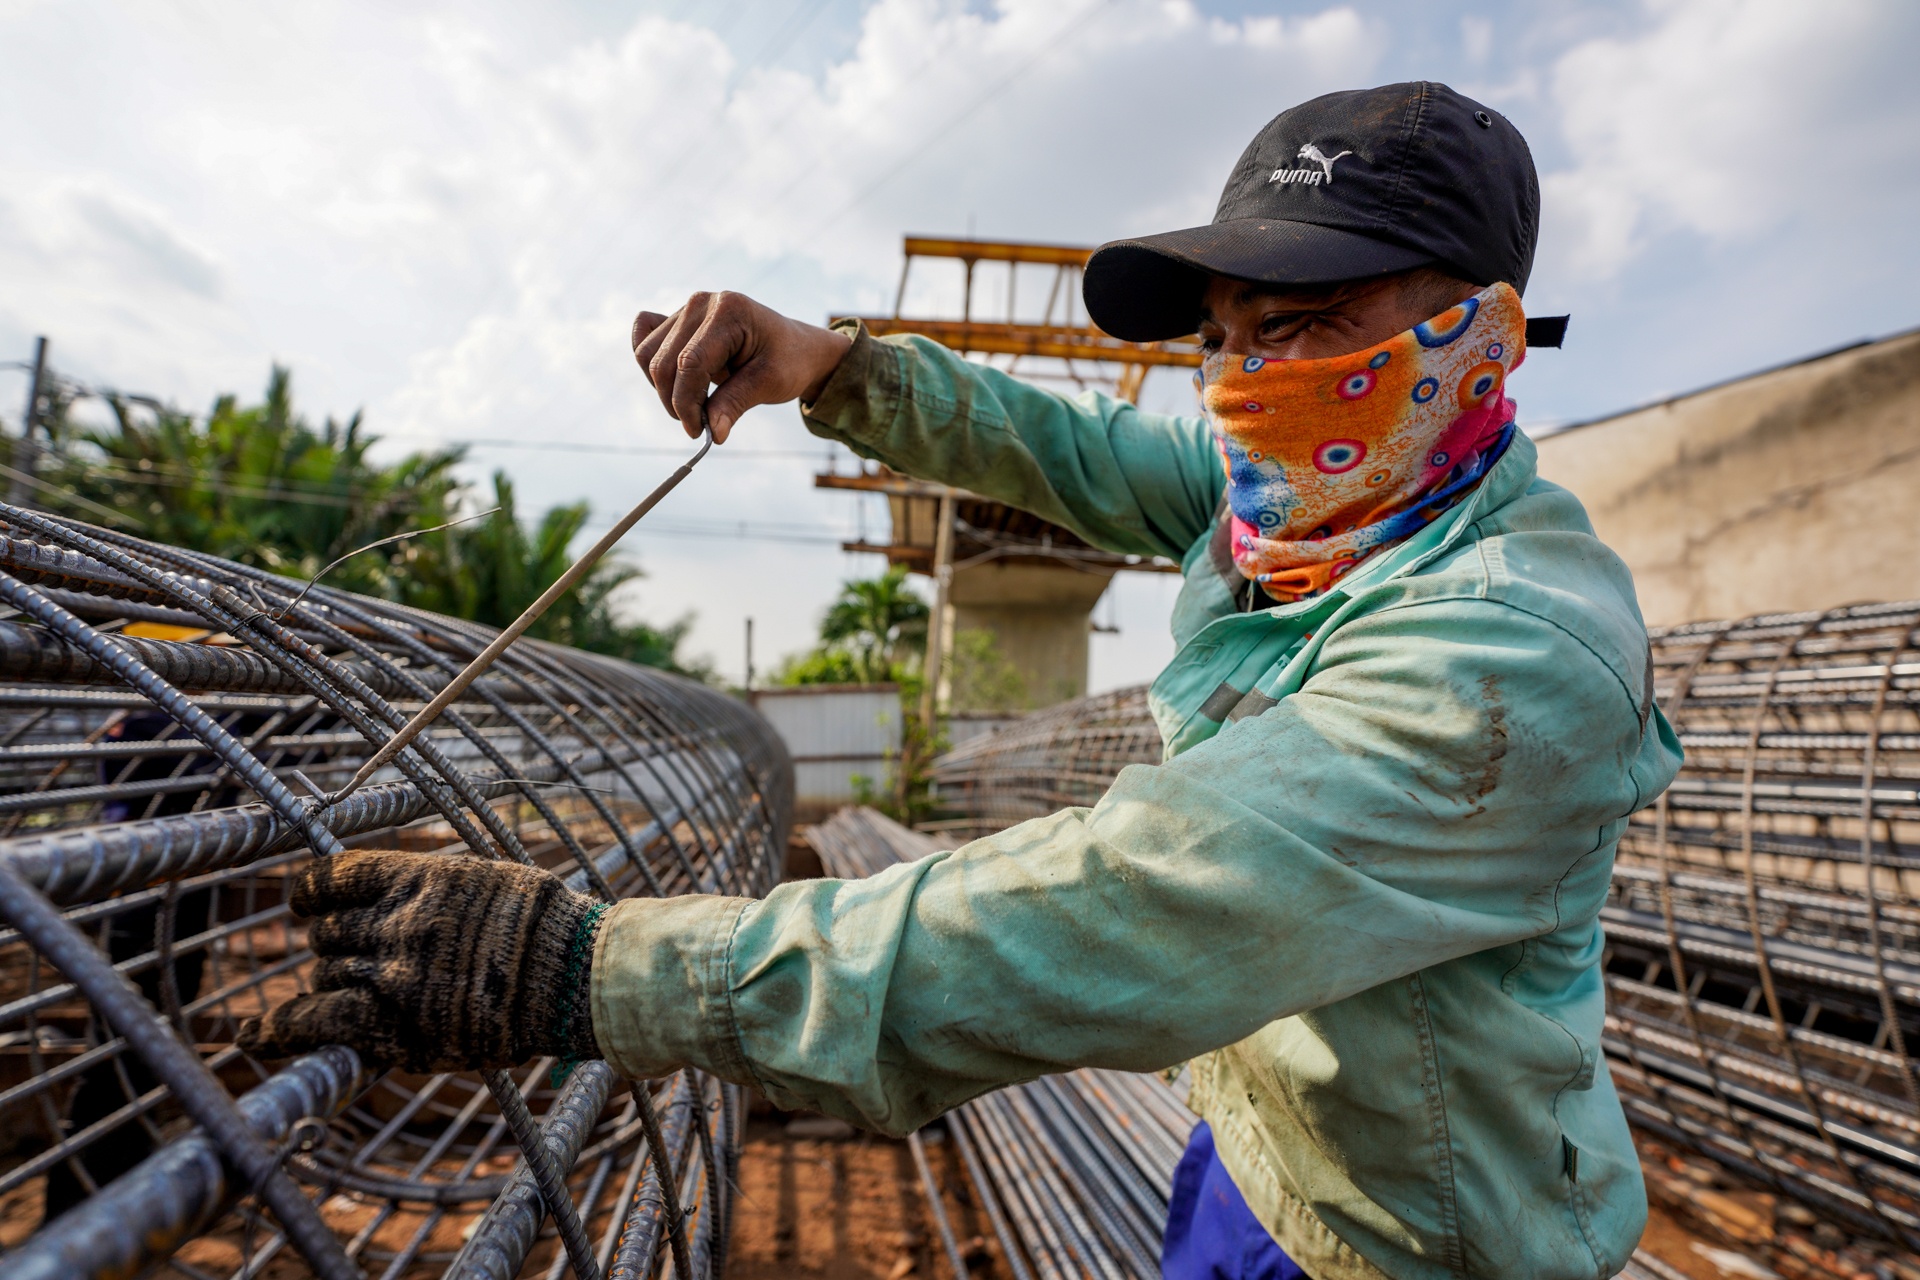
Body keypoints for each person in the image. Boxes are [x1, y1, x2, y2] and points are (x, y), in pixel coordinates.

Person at [242, 82, 1682, 1279]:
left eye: (1307, 324)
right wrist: (833, 367)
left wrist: (599, 970)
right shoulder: (1312, 499)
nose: (1245, 381)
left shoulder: (1503, 655)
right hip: (1263, 1136)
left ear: (1480, 338)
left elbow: (1132, 903)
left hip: (1426, 1232)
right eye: (1225, 337)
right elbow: (1072, 452)